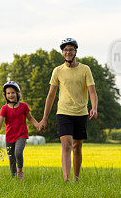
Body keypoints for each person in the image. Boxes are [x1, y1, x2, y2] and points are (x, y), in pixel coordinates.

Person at [39, 38, 98, 182]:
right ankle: (66, 179)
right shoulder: (58, 71)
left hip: (81, 113)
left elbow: (92, 92)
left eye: (71, 49)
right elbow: (51, 95)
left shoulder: (85, 69)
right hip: (63, 112)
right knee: (67, 144)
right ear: (62, 53)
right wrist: (44, 117)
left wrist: (94, 108)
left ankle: (76, 179)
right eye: (65, 50)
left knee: (77, 146)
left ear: (75, 51)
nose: (68, 52)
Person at [0, 81, 40, 180]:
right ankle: (13, 178)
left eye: (13, 92)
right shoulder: (4, 108)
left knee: (18, 152)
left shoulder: (24, 106)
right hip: (9, 137)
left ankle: (20, 171)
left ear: (17, 94)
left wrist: (37, 125)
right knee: (11, 158)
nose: (11, 95)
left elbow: (30, 118)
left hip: (21, 135)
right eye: (8, 93)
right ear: (5, 95)